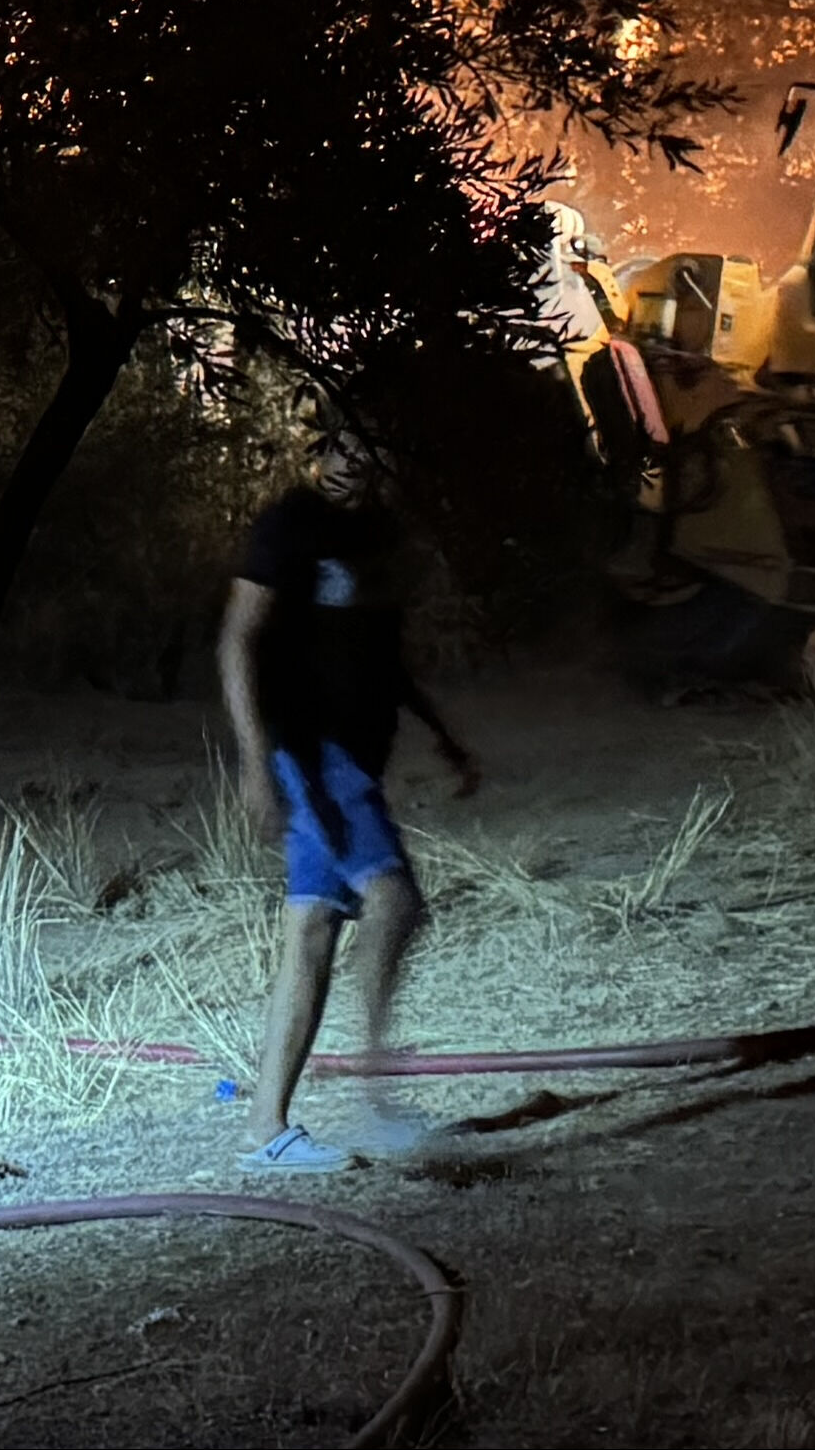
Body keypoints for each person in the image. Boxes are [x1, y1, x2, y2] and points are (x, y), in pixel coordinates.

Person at [218, 441, 483, 1175]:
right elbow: (238, 639)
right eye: (338, 446)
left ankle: (266, 1130)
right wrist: (253, 760)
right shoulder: (289, 524)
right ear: (317, 448)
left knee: (311, 929)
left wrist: (444, 736)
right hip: (312, 750)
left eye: (367, 447)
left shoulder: (377, 538)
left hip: (358, 753)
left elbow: (384, 659)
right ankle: (376, 1093)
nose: (351, 462)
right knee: (396, 899)